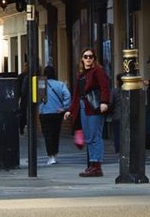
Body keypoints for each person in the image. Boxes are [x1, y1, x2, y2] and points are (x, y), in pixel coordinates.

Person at [64, 47, 111, 177]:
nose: (88, 59)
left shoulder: (98, 71)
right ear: (82, 59)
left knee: (95, 136)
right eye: (86, 56)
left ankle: (97, 166)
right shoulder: (81, 75)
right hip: (84, 107)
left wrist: (104, 102)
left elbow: (104, 87)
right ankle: (92, 165)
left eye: (91, 57)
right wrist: (70, 110)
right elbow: (76, 95)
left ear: (94, 59)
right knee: (89, 137)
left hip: (94, 107)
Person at [38, 65, 71, 165]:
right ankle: (55, 154)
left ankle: (50, 156)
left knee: (47, 135)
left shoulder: (41, 83)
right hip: (57, 113)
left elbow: (40, 99)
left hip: (44, 113)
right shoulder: (60, 84)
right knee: (55, 134)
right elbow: (67, 95)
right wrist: (64, 107)